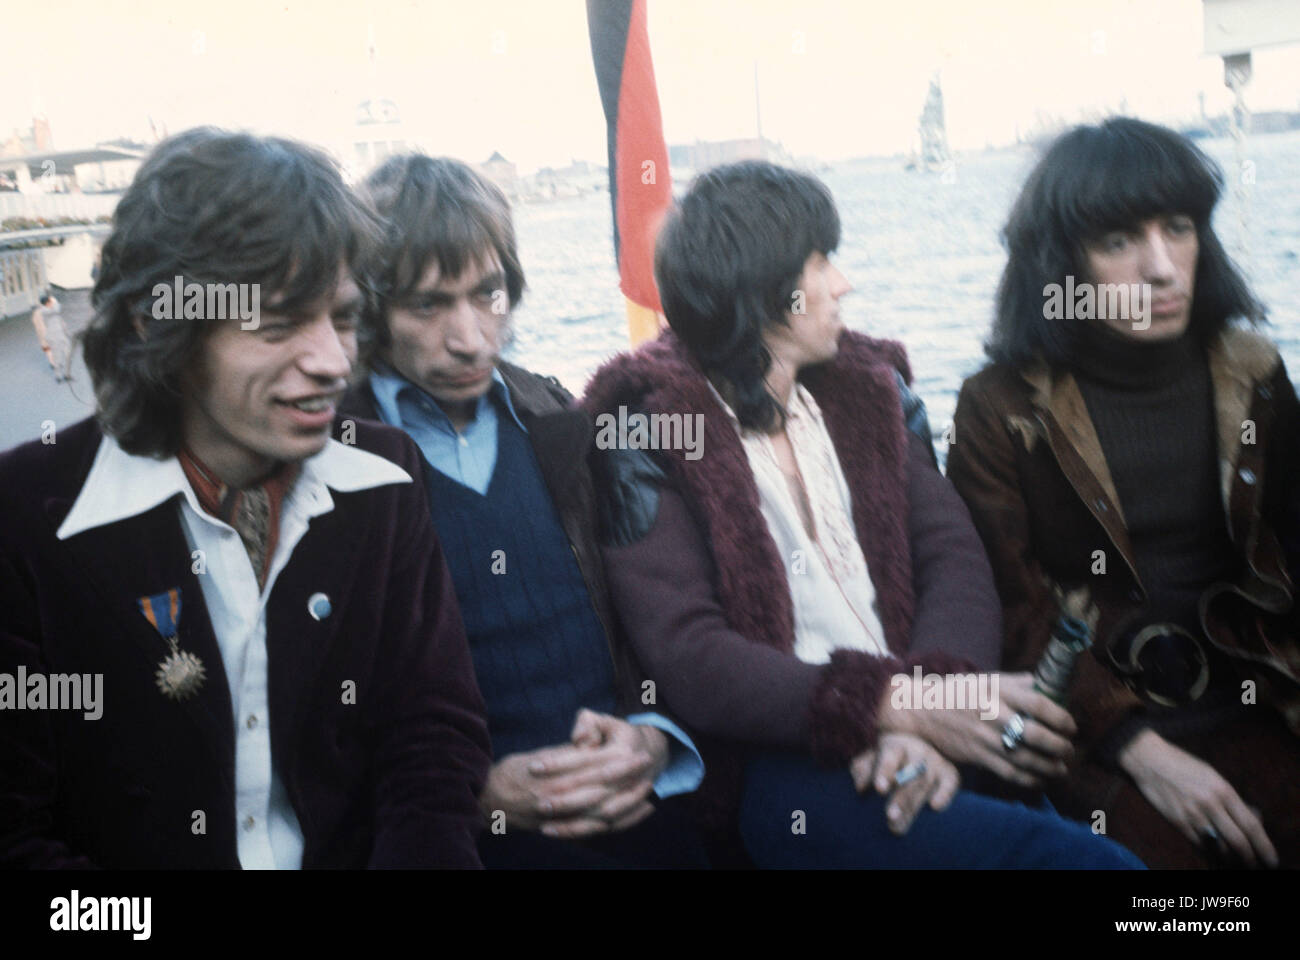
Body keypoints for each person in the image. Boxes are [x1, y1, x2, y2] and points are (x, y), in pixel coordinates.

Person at [583, 159, 1141, 868]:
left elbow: (953, 561)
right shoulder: (648, 432)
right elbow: (691, 656)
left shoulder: (868, 397)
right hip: (780, 768)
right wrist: (890, 707)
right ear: (765, 292)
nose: (841, 283)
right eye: (820, 264)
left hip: (922, 728)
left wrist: (931, 713)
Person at [0, 128, 492, 869]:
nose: (333, 360)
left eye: (344, 317)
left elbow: (429, 734)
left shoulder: (385, 479)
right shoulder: (23, 517)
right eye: (278, 322)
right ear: (158, 324)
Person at [947, 117, 1300, 868]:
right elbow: (1013, 608)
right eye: (1118, 243)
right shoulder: (1000, 406)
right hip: (1094, 731)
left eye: (1178, 229)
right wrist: (1138, 749)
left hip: (1258, 704)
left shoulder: (1253, 372)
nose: (1162, 268)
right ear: (1061, 264)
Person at [339, 154, 707, 869]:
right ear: (371, 309)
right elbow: (313, 715)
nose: (472, 336)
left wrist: (655, 736)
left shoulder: (561, 417)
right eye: (428, 305)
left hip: (640, 807)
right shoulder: (327, 458)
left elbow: (655, 621)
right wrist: (468, 797)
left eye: (489, 294)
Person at [31, 292, 70, 382]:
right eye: (50, 301)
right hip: (53, 336)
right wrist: (55, 301)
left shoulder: (48, 309)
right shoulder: (45, 310)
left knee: (66, 353)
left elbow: (59, 319)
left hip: (60, 334)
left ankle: (66, 374)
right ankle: (59, 376)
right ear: (47, 303)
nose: (52, 302)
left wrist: (65, 330)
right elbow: (57, 310)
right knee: (57, 355)